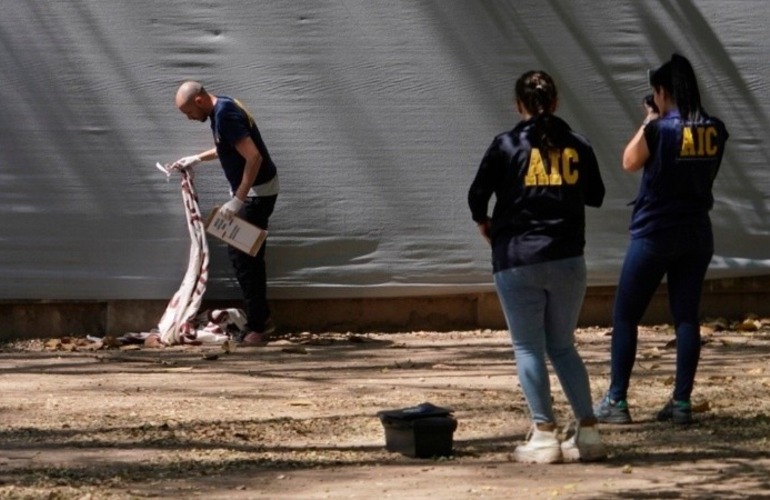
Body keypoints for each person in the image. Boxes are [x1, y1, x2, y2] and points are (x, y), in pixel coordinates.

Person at [468, 70, 606, 463]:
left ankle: (544, 433)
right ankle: (589, 432)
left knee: (528, 346)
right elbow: (595, 194)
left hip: (517, 258)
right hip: (568, 258)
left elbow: (477, 195)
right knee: (563, 345)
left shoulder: (507, 144)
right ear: (556, 103)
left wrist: (486, 224)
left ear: (519, 106)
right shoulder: (578, 144)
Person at [594, 54, 729, 425]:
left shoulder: (659, 128)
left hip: (655, 230)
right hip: (697, 231)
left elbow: (629, 161)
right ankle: (681, 403)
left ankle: (617, 401)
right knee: (686, 317)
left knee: (625, 314)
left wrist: (648, 121)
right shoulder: (715, 129)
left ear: (662, 92)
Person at [168, 81, 280, 346]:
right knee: (242, 255)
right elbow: (227, 147)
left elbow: (253, 158)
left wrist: (239, 200)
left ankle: (259, 326)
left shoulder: (225, 114)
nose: (189, 119)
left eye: (188, 113)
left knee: (245, 260)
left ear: (199, 101)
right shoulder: (222, 109)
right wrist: (196, 158)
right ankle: (260, 320)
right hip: (253, 193)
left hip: (256, 195)